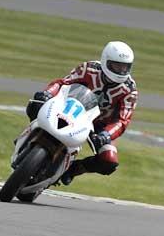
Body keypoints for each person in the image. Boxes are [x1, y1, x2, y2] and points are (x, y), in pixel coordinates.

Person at [26, 41, 138, 185]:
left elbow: (122, 120)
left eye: (125, 67)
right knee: (35, 104)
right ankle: (31, 135)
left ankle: (73, 170)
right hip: (71, 108)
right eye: (117, 65)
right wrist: (47, 93)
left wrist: (106, 134)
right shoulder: (89, 68)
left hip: (98, 126)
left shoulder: (130, 90)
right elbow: (63, 83)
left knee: (109, 161)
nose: (121, 70)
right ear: (105, 60)